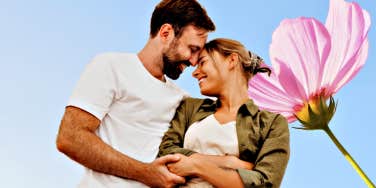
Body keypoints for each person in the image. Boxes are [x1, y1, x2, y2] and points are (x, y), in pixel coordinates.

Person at [56, 0, 215, 187]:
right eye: (192, 49)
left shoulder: (183, 100)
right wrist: (146, 173)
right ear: (166, 33)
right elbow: (70, 138)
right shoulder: (111, 67)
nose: (194, 61)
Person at [158, 38, 290, 188]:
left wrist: (196, 166)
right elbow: (166, 153)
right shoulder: (190, 108)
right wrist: (227, 162)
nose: (195, 73)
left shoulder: (271, 124)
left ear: (232, 60)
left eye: (202, 62)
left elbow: (265, 183)